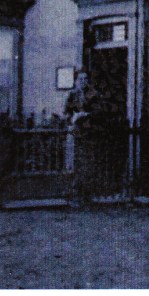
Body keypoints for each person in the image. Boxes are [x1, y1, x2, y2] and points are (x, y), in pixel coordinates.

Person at [64, 69, 94, 207]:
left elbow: (98, 111)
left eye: (85, 79)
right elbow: (66, 113)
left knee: (87, 165)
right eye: (80, 79)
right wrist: (73, 118)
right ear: (76, 81)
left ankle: (87, 196)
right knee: (75, 165)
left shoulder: (93, 95)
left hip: (89, 133)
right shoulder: (72, 95)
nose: (83, 82)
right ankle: (74, 195)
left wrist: (87, 115)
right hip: (75, 133)